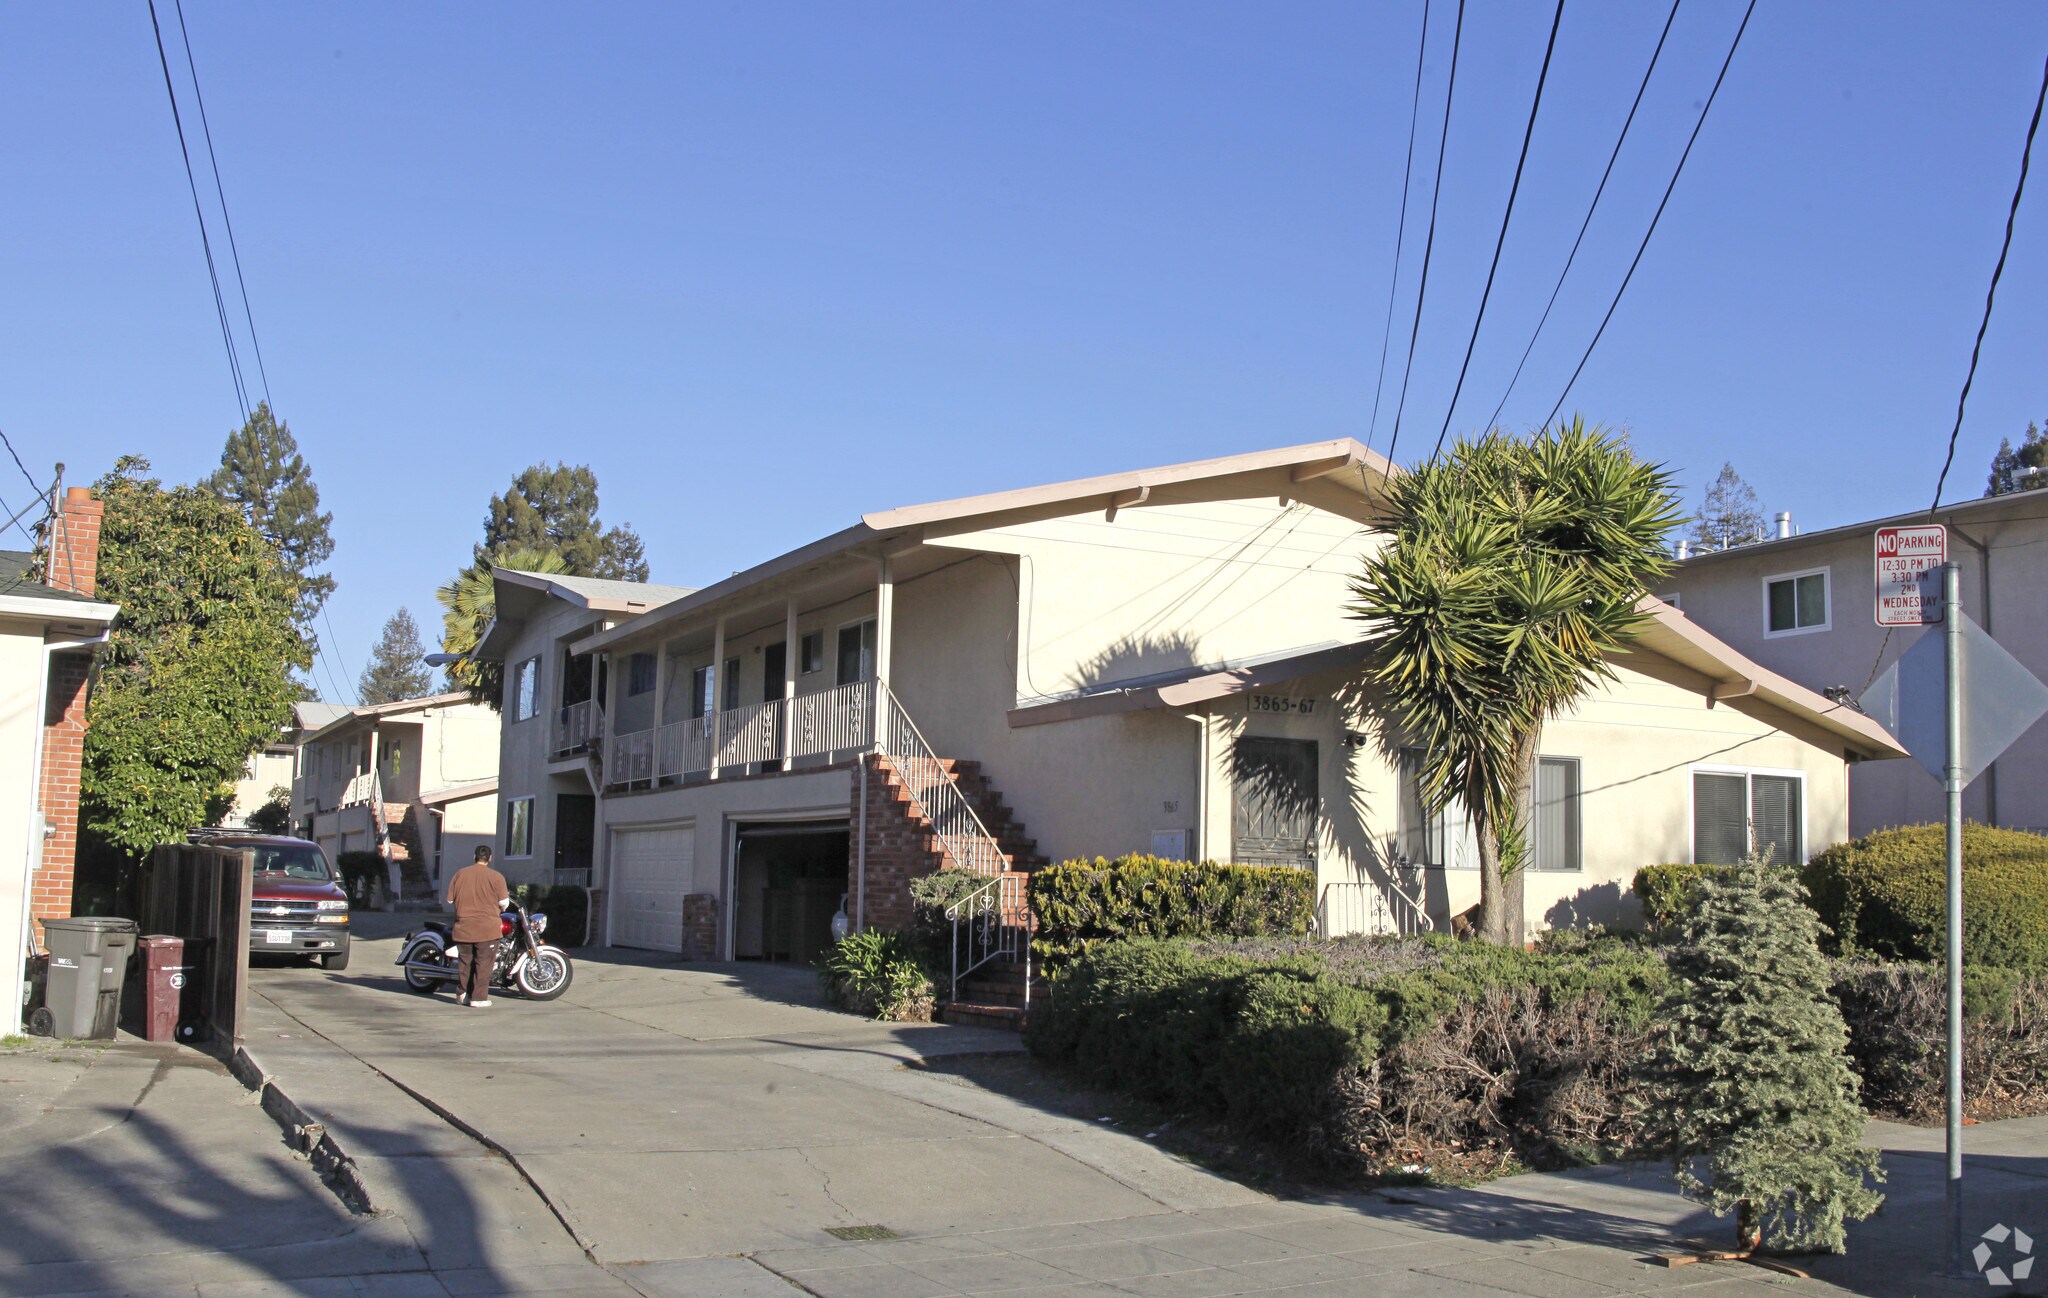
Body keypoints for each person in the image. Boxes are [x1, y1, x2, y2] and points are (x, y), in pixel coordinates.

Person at [444, 845, 509, 1008]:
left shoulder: (460, 874)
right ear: (490, 858)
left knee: (465, 962)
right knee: (484, 963)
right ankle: (478, 998)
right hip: (487, 928)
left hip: (464, 927)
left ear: (474, 856)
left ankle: (462, 993)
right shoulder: (496, 877)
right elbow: (504, 903)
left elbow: (450, 900)